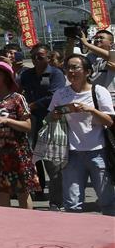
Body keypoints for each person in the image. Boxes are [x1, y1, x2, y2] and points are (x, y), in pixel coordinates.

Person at [48, 54, 115, 215]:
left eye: (75, 67)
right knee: (72, 202)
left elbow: (109, 121)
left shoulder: (99, 91)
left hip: (98, 151)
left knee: (106, 200)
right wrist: (57, 114)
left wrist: (91, 109)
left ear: (87, 71)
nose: (71, 71)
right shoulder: (61, 93)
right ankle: (75, 237)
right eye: (68, 68)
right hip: (70, 153)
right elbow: (49, 116)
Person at [0, 61, 39, 209]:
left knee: (23, 191)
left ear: (6, 77)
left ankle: (28, 224)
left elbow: (28, 126)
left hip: (16, 153)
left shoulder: (17, 98)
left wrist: (7, 120)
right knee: (1, 192)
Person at [20, 44, 66, 206]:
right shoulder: (26, 74)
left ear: (48, 57)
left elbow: (54, 95)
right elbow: (20, 91)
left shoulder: (56, 74)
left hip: (50, 119)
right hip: (31, 120)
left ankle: (58, 201)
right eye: (33, 57)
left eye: (40, 57)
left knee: (52, 160)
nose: (36, 60)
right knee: (33, 156)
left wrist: (32, 105)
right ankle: (38, 189)